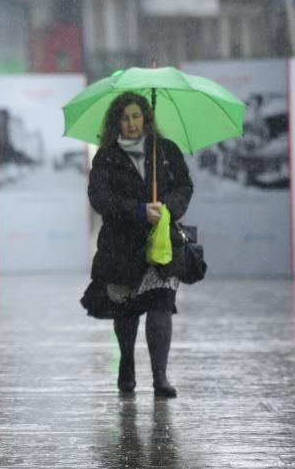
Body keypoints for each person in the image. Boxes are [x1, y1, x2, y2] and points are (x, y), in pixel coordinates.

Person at [84, 92, 193, 398]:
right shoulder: (106, 156)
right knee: (127, 308)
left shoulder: (166, 151)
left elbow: (185, 186)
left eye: (136, 116)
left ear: (146, 118)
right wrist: (138, 210)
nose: (131, 123)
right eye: (125, 117)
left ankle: (160, 376)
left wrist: (167, 205)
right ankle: (127, 363)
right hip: (121, 245)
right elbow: (99, 197)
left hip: (161, 244)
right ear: (116, 122)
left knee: (161, 302)